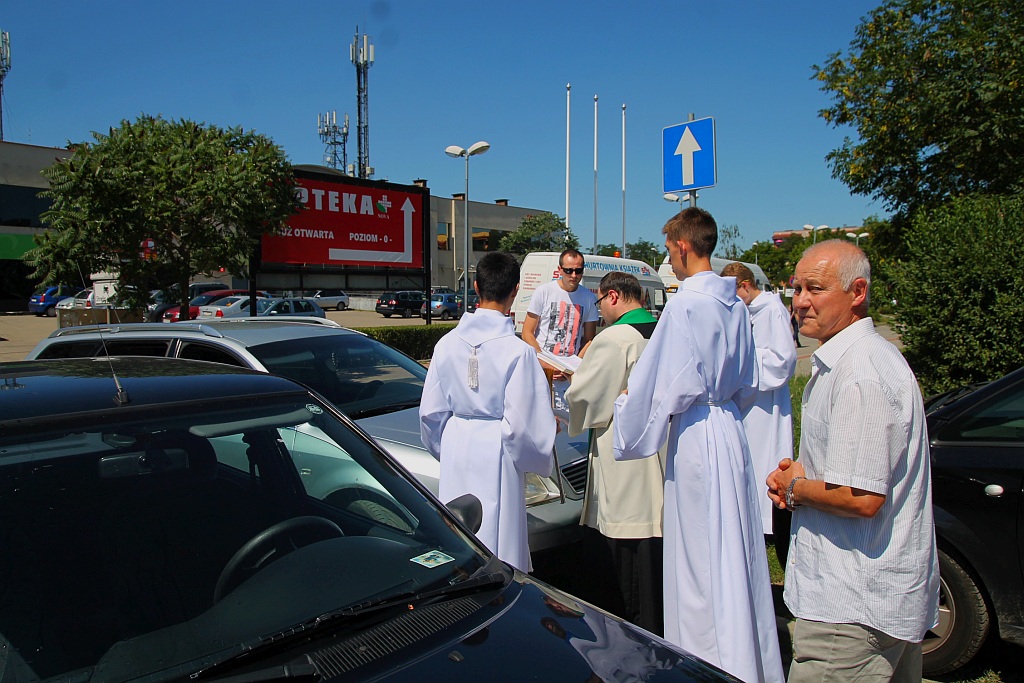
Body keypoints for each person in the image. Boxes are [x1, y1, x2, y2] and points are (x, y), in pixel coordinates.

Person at [613, 207, 784, 683]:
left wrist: (626, 407)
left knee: (700, 556)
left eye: (669, 250)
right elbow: (749, 380)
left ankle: (708, 662)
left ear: (684, 246)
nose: (668, 259)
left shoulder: (687, 305)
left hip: (696, 434)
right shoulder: (735, 305)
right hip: (729, 428)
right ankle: (744, 652)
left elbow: (660, 381)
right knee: (734, 544)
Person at [767, 240, 939, 682]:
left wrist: (795, 489)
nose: (800, 301)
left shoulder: (859, 372)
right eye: (796, 287)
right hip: (870, 603)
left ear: (857, 291)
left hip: (849, 613)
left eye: (816, 289)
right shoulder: (848, 362)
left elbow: (861, 496)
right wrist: (804, 476)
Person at [419, 251, 556, 573]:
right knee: (499, 537)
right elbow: (525, 427)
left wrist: (448, 446)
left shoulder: (447, 343)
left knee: (461, 531)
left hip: (457, 442)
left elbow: (431, 413)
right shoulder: (519, 352)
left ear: (476, 286)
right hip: (498, 446)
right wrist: (540, 449)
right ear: (516, 290)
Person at [564, 271, 665, 635]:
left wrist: (574, 384)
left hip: (625, 455)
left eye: (599, 303)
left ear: (612, 297)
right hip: (661, 449)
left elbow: (589, 397)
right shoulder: (660, 329)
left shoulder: (616, 338)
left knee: (624, 553)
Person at [721, 261, 797, 537]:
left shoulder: (772, 309)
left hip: (767, 402)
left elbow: (783, 360)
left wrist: (742, 359)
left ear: (744, 285)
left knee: (766, 456)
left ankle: (767, 523)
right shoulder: (749, 310)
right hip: (749, 399)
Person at [522, 248, 599, 358]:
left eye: (578, 271)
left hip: (570, 368)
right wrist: (544, 362)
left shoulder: (589, 298)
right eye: (568, 271)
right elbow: (527, 333)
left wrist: (576, 364)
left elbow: (589, 340)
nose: (573, 275)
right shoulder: (543, 291)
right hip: (542, 363)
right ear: (560, 269)